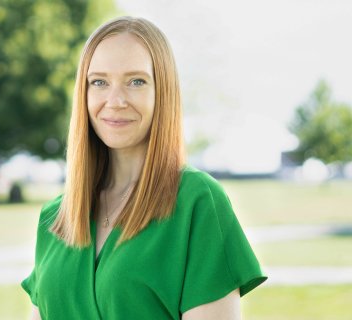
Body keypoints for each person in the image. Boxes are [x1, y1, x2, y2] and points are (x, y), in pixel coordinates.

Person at [21, 16, 267, 320]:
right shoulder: (55, 218)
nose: (115, 100)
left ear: (162, 92)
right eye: (99, 82)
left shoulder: (197, 203)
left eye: (136, 81)